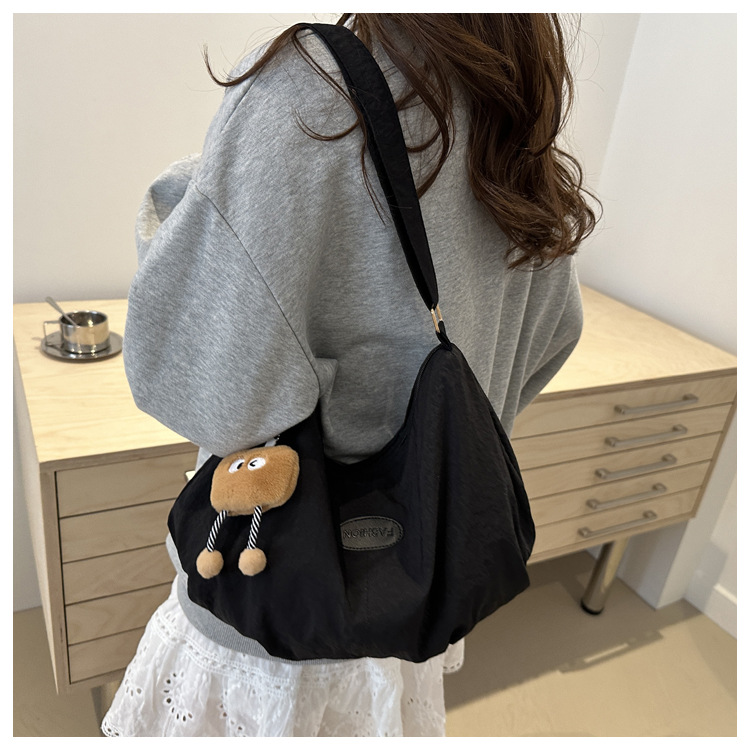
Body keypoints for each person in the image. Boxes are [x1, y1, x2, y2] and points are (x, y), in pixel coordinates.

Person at [102, 13, 598, 737]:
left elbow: (206, 385)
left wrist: (183, 201)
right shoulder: (517, 107)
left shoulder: (309, 92)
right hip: (420, 587)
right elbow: (556, 331)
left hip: (273, 599)